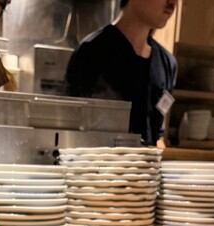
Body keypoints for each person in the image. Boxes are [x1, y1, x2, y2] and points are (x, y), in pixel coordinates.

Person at [65, 0, 178, 147]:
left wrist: (159, 144)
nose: (172, 2)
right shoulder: (93, 52)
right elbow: (74, 131)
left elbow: (156, 131)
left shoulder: (167, 63)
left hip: (148, 161)